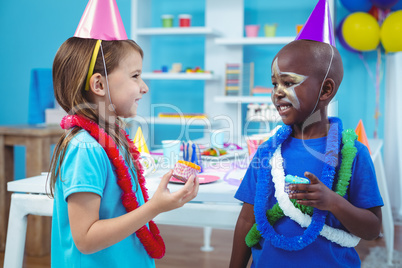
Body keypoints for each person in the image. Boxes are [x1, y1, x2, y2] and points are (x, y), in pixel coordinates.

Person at [229, 1, 383, 267]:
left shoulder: (354, 154)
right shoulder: (268, 152)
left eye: (289, 83)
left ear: (325, 91)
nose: (277, 92)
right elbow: (246, 219)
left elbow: (372, 229)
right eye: (274, 83)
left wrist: (333, 202)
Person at [48, 1, 199, 267]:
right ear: (99, 84)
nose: (144, 87)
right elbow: (85, 238)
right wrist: (155, 207)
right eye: (135, 76)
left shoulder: (111, 138)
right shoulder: (85, 148)